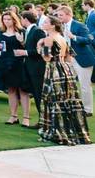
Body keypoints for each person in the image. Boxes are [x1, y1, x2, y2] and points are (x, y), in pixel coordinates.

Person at [38, 16, 91, 145]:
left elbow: (46, 58)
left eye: (46, 22)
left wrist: (39, 46)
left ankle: (57, 132)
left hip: (54, 70)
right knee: (67, 100)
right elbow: (69, 58)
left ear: (52, 25)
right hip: (66, 70)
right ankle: (72, 131)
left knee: (53, 100)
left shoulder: (48, 38)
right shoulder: (62, 38)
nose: (43, 23)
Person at [57, 4, 95, 116]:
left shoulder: (79, 26)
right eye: (58, 15)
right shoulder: (61, 26)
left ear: (69, 15)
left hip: (83, 59)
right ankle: (71, 106)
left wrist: (74, 37)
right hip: (69, 58)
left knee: (84, 85)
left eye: (61, 15)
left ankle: (88, 110)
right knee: (68, 83)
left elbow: (88, 40)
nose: (59, 17)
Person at [0, 10, 31, 126]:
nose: (6, 21)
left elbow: (28, 47)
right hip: (5, 62)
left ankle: (26, 117)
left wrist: (22, 41)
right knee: (11, 90)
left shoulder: (21, 31)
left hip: (19, 63)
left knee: (23, 90)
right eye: (4, 19)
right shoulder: (0, 32)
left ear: (14, 20)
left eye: (9, 19)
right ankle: (13, 116)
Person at [17, 9, 47, 118]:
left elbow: (41, 51)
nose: (20, 21)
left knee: (39, 95)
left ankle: (44, 120)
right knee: (35, 94)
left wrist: (24, 52)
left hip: (37, 68)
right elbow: (31, 46)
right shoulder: (28, 31)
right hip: (30, 67)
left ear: (25, 19)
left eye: (21, 19)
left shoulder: (38, 31)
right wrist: (22, 43)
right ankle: (42, 120)